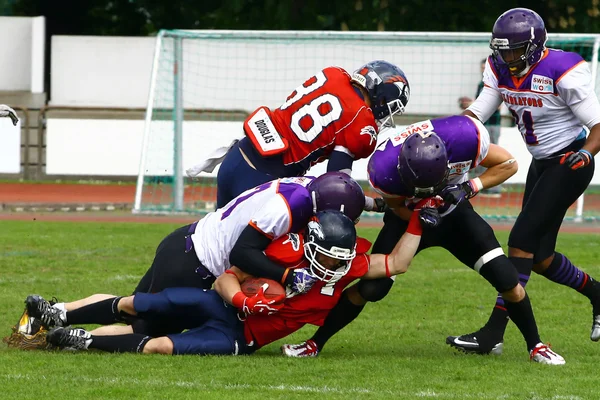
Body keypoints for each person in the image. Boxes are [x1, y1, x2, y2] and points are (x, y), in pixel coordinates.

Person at [280, 115, 565, 365]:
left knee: (508, 280)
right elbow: (396, 206)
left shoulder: (466, 137)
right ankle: (315, 343)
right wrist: (418, 215)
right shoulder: (383, 168)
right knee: (371, 287)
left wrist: (468, 186)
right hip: (410, 215)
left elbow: (509, 163)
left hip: (454, 214)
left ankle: (536, 346)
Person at [29, 207, 438, 356]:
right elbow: (228, 276)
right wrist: (244, 300)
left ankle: (83, 340)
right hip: (226, 308)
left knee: (162, 346)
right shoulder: (285, 253)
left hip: (243, 340)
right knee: (142, 303)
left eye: (339, 258)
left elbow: (399, 262)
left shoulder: (351, 266)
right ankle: (59, 311)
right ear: (311, 247)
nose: (333, 265)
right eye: (328, 255)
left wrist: (420, 216)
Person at [27, 172, 367, 337]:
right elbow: (242, 252)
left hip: (188, 242)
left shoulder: (309, 188)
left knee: (133, 303)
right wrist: (287, 276)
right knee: (143, 326)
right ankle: (68, 333)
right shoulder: (285, 209)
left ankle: (54, 313)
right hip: (196, 262)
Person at [446, 7, 600, 355]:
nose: (506, 57)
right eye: (502, 50)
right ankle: (597, 293)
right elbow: (478, 114)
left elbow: (598, 125)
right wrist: (449, 134)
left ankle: (493, 334)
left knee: (520, 242)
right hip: (542, 163)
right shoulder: (499, 67)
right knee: (541, 258)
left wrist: (588, 153)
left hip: (570, 160)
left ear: (533, 47)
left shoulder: (563, 69)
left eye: (513, 50)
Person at [186, 60, 410, 212]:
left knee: (214, 249)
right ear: (382, 99)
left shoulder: (333, 74)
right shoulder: (360, 121)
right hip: (261, 181)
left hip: (235, 157)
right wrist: (375, 204)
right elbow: (339, 188)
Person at [459, 59, 502, 196]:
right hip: (481, 125)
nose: (483, 70)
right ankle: (481, 186)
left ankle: (494, 189)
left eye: (486, 67)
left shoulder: (498, 83)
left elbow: (498, 106)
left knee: (494, 156)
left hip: (493, 124)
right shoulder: (481, 84)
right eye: (482, 67)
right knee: (478, 154)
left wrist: (471, 103)